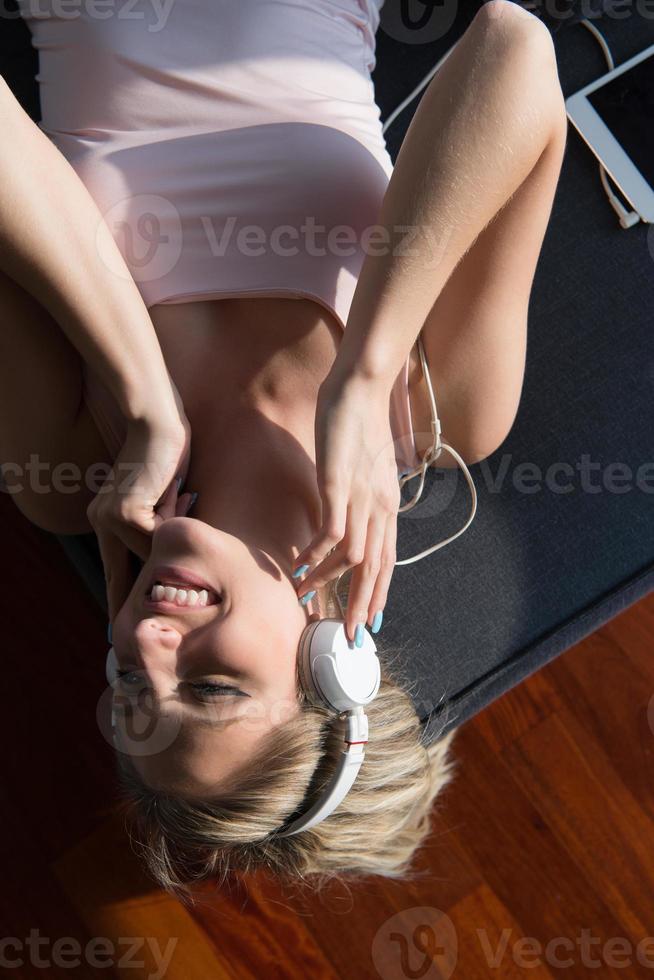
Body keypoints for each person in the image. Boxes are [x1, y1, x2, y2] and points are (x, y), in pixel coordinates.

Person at [0, 0, 568, 897]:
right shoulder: (437, 409)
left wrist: (144, 397)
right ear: (330, 661)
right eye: (213, 685)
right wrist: (367, 370)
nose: (149, 644)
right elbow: (513, 47)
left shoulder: (66, 470)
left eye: (135, 692)